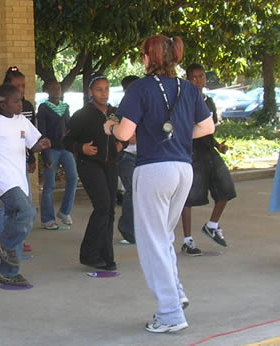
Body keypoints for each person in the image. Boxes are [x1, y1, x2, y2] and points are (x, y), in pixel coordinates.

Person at [104, 35, 215, 333]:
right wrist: (177, 137)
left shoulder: (140, 88)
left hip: (153, 169)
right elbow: (207, 126)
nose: (141, 59)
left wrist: (110, 126)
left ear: (150, 57)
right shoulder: (189, 88)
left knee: (152, 242)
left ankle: (170, 313)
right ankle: (176, 293)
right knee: (163, 236)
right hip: (182, 168)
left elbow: (125, 133)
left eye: (143, 54)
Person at [0, 83, 51, 286]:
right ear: (4, 105)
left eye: (21, 99)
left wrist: (41, 146)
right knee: (27, 213)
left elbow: (32, 145)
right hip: (3, 180)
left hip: (19, 178)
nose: (20, 103)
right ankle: (4, 244)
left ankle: (9, 273)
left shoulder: (21, 120)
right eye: (16, 101)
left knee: (14, 221)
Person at [63, 74, 123, 271]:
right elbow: (66, 141)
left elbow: (121, 134)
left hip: (110, 164)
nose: (103, 93)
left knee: (110, 210)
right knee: (103, 206)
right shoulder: (82, 115)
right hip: (89, 164)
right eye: (99, 89)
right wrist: (81, 148)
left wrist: (121, 143)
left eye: (106, 89)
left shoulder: (113, 113)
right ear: (90, 92)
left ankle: (106, 256)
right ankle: (89, 254)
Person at [180, 63, 235, 256]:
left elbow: (208, 129)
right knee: (189, 198)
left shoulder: (208, 101)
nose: (198, 80)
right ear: (187, 80)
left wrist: (217, 145)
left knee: (226, 189)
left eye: (201, 76)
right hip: (191, 153)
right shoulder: (183, 101)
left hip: (209, 152)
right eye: (194, 77)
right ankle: (187, 240)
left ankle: (212, 225)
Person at [0, 66, 36, 252]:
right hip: (4, 169)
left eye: (24, 86)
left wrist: (32, 157)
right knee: (9, 209)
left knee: (26, 206)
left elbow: (31, 137)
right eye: (18, 86)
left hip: (20, 163)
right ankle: (6, 242)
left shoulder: (28, 107)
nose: (22, 90)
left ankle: (16, 236)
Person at [37, 79, 77, 230]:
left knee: (73, 177)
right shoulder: (43, 108)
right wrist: (45, 154)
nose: (56, 90)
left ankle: (65, 211)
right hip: (51, 149)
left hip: (65, 149)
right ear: (46, 90)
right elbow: (42, 132)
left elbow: (69, 128)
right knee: (49, 185)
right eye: (52, 88)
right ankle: (47, 219)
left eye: (58, 87)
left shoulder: (65, 107)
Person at [116, 75, 140, 244]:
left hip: (144, 156)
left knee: (142, 193)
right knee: (132, 190)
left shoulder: (145, 106)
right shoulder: (121, 109)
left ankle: (139, 229)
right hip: (126, 156)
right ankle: (128, 231)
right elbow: (128, 138)